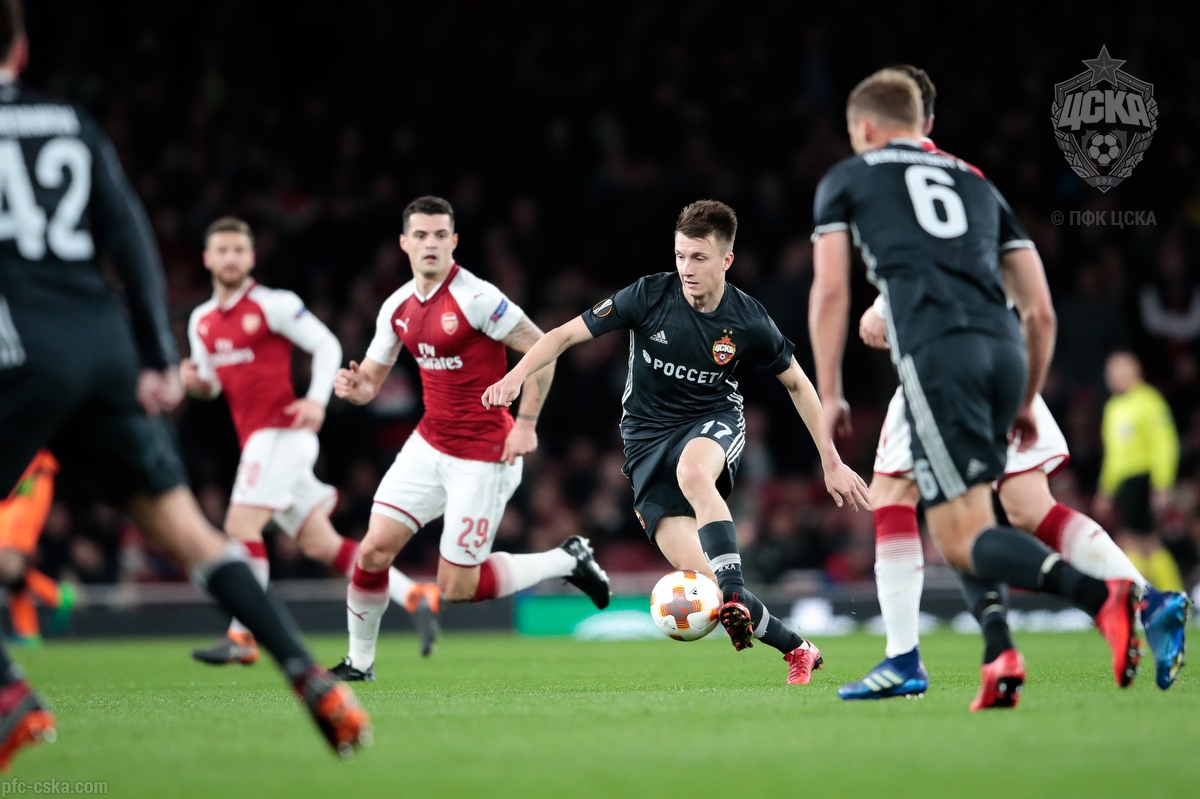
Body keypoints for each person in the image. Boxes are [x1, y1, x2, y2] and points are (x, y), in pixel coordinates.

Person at [0, 2, 367, 767]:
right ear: (23, 49)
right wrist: (158, 357)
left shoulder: (270, 306)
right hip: (102, 344)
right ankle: (308, 673)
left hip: (19, 346)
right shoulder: (70, 122)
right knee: (190, 529)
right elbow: (130, 233)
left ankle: (9, 693)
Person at [839, 66, 1189, 700]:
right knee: (1028, 506)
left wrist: (880, 311)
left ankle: (908, 656)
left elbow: (926, 273)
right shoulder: (969, 179)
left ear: (873, 127)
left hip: (940, 362)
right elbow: (1010, 284)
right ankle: (1147, 600)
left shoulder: (884, 179)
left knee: (905, 498)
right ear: (929, 121)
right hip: (1006, 357)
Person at [483, 199, 870, 685]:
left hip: (712, 420)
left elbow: (797, 383)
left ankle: (733, 589)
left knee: (694, 474)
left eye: (699, 257)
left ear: (726, 260)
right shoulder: (647, 296)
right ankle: (798, 648)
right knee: (706, 583)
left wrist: (830, 461)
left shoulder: (747, 319)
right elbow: (561, 336)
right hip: (645, 442)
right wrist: (515, 377)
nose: (686, 268)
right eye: (681, 255)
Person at [331, 196, 611, 681]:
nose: (431, 243)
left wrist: (526, 423)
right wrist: (355, 389)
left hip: (484, 455)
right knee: (372, 551)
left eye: (440, 235)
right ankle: (359, 663)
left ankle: (565, 559)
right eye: (421, 235)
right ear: (404, 243)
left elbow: (543, 349)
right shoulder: (396, 306)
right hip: (428, 445)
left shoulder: (477, 298)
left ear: (454, 241)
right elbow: (370, 382)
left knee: (457, 587)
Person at [182, 218, 431, 664]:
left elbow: (326, 345)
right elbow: (212, 386)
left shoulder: (274, 304)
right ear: (207, 258)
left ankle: (243, 636)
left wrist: (316, 400)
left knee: (240, 527)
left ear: (251, 257)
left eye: (238, 250)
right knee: (322, 545)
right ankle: (414, 595)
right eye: (222, 250)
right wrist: (195, 384)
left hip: (282, 433)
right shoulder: (201, 320)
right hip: (259, 442)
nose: (230, 258)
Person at [1097, 351, 1185, 592]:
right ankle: (1169, 597)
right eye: (1110, 373)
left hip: (1144, 478)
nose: (1113, 378)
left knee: (1134, 541)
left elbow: (1164, 445)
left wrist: (1162, 483)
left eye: (1119, 371)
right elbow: (1112, 454)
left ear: (1136, 372)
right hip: (1124, 483)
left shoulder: (1150, 401)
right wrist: (1106, 489)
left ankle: (1142, 597)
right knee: (1144, 543)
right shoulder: (1113, 407)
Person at [0, 450, 74, 647]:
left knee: (6, 561)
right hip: (16, 478)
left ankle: (55, 595)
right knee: (11, 567)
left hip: (27, 478)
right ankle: (27, 630)